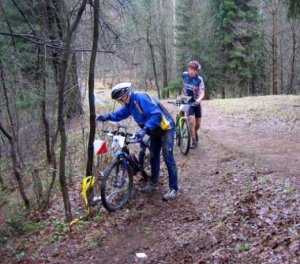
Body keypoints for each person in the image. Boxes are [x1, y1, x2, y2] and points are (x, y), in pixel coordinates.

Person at [96, 82, 178, 201]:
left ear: (126, 95)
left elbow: (156, 115)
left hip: (166, 128)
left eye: (120, 99)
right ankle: (153, 183)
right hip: (153, 130)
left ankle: (173, 189)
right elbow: (120, 114)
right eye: (118, 100)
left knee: (167, 157)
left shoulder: (140, 98)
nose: (120, 102)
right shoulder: (129, 104)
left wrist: (144, 129)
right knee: (153, 157)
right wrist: (106, 116)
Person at [182, 60, 205, 149]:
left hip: (196, 102)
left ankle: (194, 132)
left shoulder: (199, 80)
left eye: (193, 70)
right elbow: (183, 85)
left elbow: (202, 92)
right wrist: (182, 95)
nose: (191, 71)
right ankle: (194, 141)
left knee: (198, 124)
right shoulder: (184, 75)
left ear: (196, 71)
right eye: (190, 69)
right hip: (187, 101)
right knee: (191, 121)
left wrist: (199, 99)